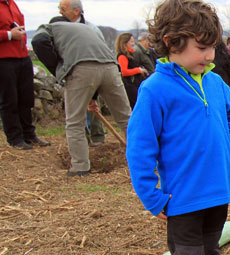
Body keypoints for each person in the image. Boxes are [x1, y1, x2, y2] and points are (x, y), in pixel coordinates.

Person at [126, 0, 230, 255]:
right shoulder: (154, 89)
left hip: (218, 190)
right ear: (172, 42)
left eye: (213, 46)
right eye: (202, 47)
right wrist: (152, 196)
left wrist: (225, 145)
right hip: (183, 196)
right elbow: (140, 149)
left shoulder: (215, 82)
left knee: (210, 249)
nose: (210, 55)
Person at [32, 16, 132, 176]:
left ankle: (80, 166)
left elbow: (38, 41)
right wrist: (92, 98)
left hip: (81, 68)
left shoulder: (50, 27)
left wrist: (58, 68)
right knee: (126, 118)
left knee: (74, 121)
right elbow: (97, 64)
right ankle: (143, 160)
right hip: (111, 67)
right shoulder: (86, 28)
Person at [0, 0, 51, 150]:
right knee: (10, 100)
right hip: (3, 59)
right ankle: (15, 139)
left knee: (26, 98)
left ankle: (29, 135)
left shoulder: (12, 3)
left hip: (22, 56)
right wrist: (9, 35)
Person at [58, 0, 107, 147]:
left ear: (76, 11)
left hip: (92, 74)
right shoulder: (60, 29)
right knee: (75, 114)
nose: (60, 11)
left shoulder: (92, 29)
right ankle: (82, 142)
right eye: (59, 8)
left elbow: (101, 54)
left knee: (93, 107)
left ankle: (98, 138)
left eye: (63, 8)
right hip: (72, 76)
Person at [116, 32, 148, 108]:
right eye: (131, 41)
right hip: (130, 86)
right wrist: (138, 70)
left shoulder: (130, 54)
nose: (133, 44)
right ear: (125, 42)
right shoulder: (122, 56)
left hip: (136, 84)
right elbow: (124, 72)